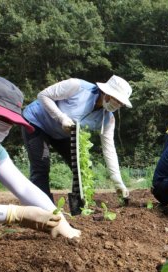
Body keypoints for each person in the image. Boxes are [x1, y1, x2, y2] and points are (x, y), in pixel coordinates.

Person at [0, 74, 80, 239]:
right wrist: (15, 214)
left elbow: (24, 187)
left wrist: (60, 220)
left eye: (9, 120)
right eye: (0, 117)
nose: (6, 126)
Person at [22, 75, 133, 207]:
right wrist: (61, 117)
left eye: (121, 103)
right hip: (37, 122)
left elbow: (109, 150)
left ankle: (78, 207)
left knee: (81, 167)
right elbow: (43, 95)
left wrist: (118, 182)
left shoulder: (108, 119)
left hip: (64, 132)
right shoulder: (77, 87)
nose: (118, 105)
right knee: (41, 166)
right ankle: (43, 208)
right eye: (117, 100)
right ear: (106, 92)